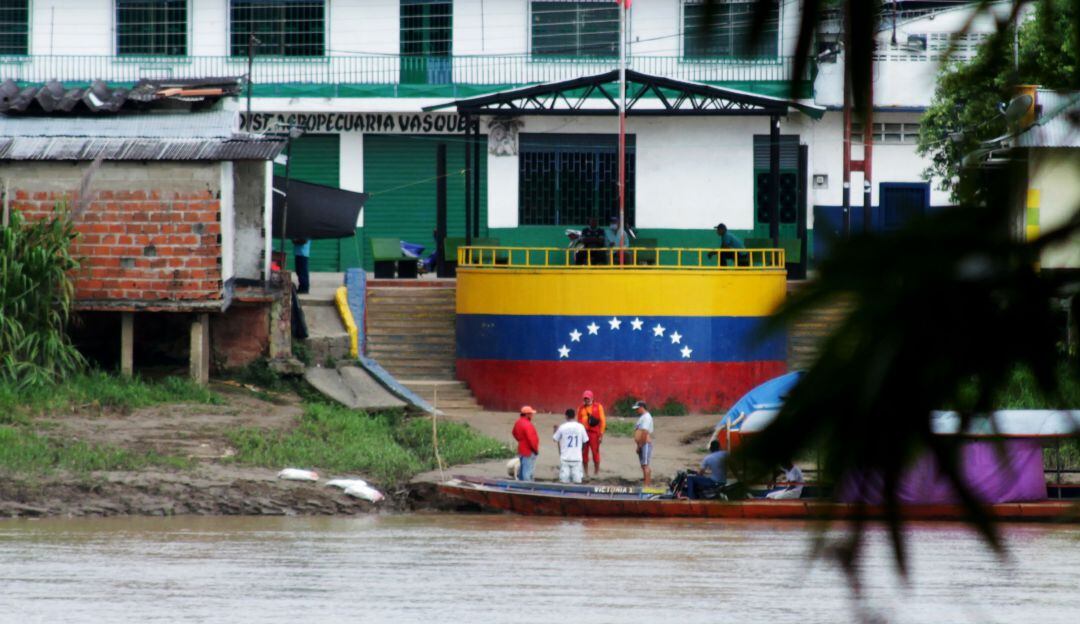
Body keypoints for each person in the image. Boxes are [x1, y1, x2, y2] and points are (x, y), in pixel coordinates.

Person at [553, 409, 588, 484]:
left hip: (565, 458)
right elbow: (585, 441)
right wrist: (581, 451)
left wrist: (555, 431)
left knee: (564, 482)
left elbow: (555, 439)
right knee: (577, 482)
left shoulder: (562, 427)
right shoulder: (580, 427)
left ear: (566, 416)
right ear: (574, 416)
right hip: (577, 458)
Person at [577, 390, 606, 479]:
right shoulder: (580, 408)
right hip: (584, 434)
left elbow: (603, 421)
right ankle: (586, 473)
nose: (586, 400)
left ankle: (596, 472)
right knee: (584, 453)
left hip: (595, 434)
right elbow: (578, 421)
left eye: (588, 398)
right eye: (585, 398)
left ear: (592, 398)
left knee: (595, 453)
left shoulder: (598, 407)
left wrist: (601, 434)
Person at [511, 406, 540, 481]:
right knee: (527, 472)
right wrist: (535, 450)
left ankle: (520, 487)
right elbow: (532, 439)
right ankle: (527, 489)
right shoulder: (528, 425)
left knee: (522, 470)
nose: (532, 415)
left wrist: (521, 441)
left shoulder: (518, 422)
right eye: (531, 414)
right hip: (529, 451)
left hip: (521, 450)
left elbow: (514, 433)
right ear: (527, 414)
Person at [632, 400, 654, 486]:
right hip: (642, 444)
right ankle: (646, 482)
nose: (636, 410)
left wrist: (640, 445)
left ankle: (647, 485)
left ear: (642, 408)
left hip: (645, 444)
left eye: (637, 408)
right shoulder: (642, 417)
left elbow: (644, 432)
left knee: (645, 465)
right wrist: (638, 446)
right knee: (643, 465)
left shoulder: (647, 417)